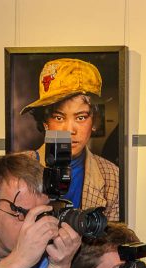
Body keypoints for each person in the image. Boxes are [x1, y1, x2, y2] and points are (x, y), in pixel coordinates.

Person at [19, 58, 120, 220]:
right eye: (59, 118)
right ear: (45, 123)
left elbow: (111, 241)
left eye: (80, 117)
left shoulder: (112, 176)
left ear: (94, 121)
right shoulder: (16, 170)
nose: (69, 130)